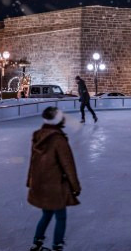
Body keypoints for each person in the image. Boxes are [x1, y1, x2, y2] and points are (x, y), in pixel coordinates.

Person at [27, 106, 81, 251]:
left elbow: (33, 161)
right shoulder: (58, 139)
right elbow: (68, 165)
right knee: (61, 217)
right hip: (55, 186)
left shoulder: (38, 135)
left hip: (41, 184)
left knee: (46, 214)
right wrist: (75, 186)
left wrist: (30, 181)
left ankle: (36, 243)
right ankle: (57, 246)